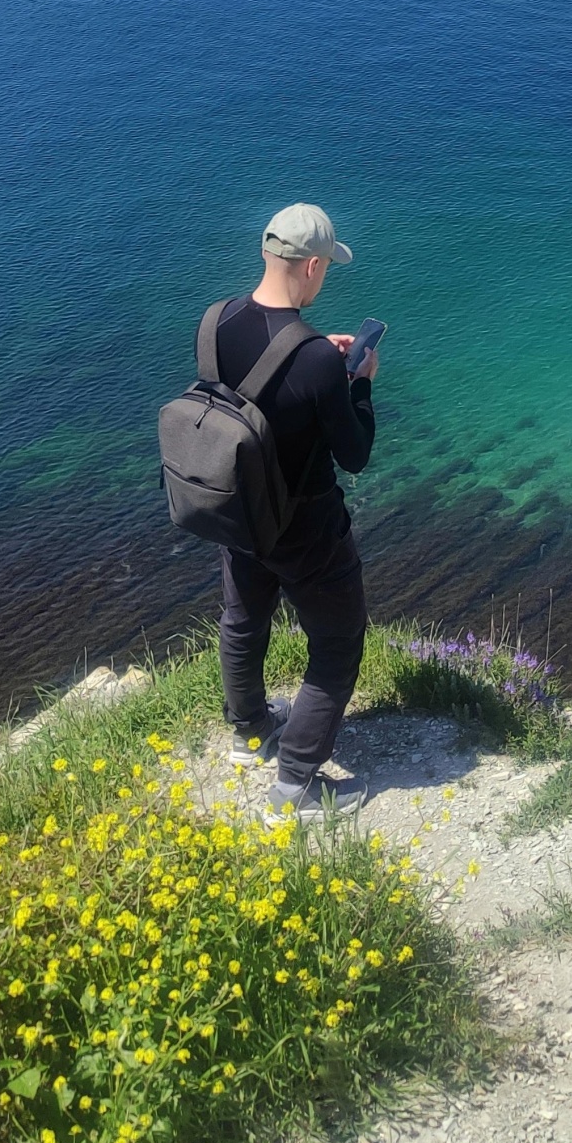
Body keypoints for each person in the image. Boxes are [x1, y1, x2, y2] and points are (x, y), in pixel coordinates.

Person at [207, 201, 379, 818]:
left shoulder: (215, 321)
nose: (325, 275)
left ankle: (250, 729)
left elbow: (261, 386)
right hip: (306, 527)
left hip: (238, 514)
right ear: (310, 266)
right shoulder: (314, 361)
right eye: (326, 266)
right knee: (337, 644)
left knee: (243, 619)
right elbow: (354, 454)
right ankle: (296, 785)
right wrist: (357, 382)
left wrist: (319, 360)